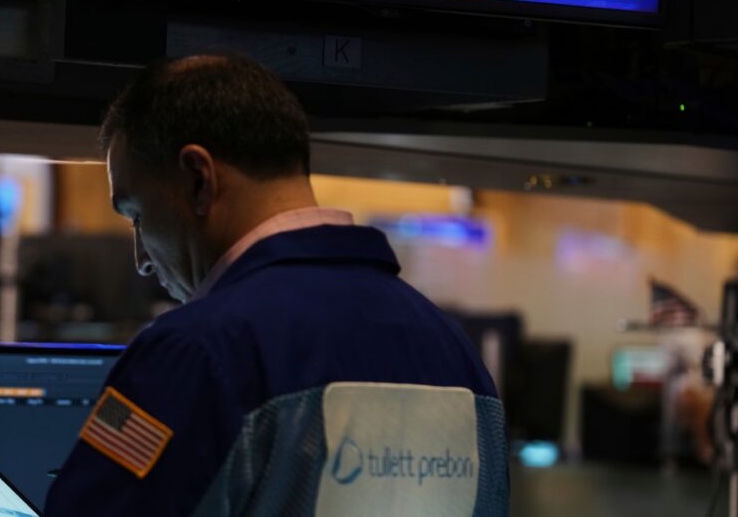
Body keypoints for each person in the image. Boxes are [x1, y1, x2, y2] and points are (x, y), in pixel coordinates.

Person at [44, 53, 508, 516]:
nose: (142, 259)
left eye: (137, 216)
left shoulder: (190, 352)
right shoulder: (457, 355)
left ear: (198, 179)